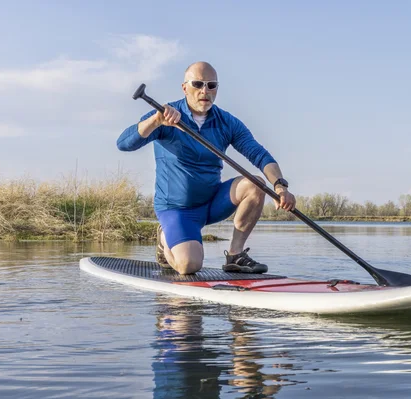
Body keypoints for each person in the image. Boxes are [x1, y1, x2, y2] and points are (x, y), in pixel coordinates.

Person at [117, 61, 295, 275]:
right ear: (185, 88)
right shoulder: (164, 116)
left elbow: (259, 154)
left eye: (211, 85)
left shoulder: (227, 122)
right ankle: (165, 239)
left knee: (256, 184)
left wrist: (280, 186)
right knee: (189, 266)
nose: (205, 91)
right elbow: (124, 143)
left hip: (212, 203)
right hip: (177, 210)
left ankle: (235, 255)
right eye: (198, 84)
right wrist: (155, 122)